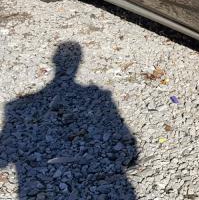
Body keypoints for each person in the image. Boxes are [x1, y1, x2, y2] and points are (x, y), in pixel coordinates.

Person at [0, 42, 138, 199]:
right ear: (79, 63)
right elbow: (130, 153)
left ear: (53, 61)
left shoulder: (16, 107)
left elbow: (4, 159)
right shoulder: (100, 96)